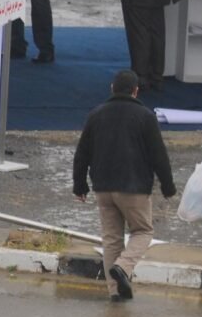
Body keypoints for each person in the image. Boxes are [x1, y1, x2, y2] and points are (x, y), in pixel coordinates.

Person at [73, 69, 177, 302]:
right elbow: (158, 155)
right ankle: (123, 266)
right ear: (135, 90)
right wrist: (168, 187)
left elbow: (82, 153)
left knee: (111, 239)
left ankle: (115, 291)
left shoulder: (96, 114)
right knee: (143, 231)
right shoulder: (145, 116)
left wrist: (79, 185)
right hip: (134, 187)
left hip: (103, 187)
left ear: (112, 88)